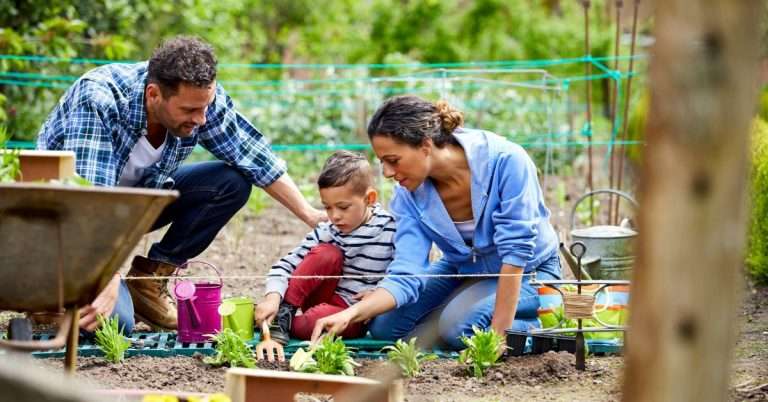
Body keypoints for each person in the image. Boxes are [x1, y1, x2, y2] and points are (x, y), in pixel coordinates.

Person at [37, 36, 325, 335]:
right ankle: (45, 295)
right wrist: (107, 278)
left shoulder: (200, 99)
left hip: (130, 208)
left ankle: (146, 283)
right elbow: (86, 201)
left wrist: (310, 214)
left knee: (230, 183)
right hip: (63, 224)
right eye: (189, 111)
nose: (201, 119)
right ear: (153, 95)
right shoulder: (99, 98)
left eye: (205, 107)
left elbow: (253, 156)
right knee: (115, 323)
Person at [311, 95, 561, 349]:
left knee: (460, 329)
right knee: (384, 326)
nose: (386, 173)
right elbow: (407, 270)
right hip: (462, 269)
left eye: (393, 160)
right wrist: (351, 313)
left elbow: (515, 253)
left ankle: (548, 322)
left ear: (425, 145)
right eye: (382, 162)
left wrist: (497, 337)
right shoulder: (408, 194)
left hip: (531, 271)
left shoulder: (506, 161)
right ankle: (459, 312)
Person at [255, 151, 396, 346]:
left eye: (343, 207)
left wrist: (380, 292)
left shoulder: (390, 229)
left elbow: (403, 272)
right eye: (328, 207)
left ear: (369, 198)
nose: (334, 216)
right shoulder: (328, 230)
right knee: (327, 253)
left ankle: (276, 323)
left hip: (354, 313)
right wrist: (272, 298)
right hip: (322, 296)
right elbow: (285, 265)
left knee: (315, 322)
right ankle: (283, 315)